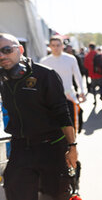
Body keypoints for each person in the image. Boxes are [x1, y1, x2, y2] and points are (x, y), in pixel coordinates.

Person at [0, 33, 78, 200]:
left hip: (51, 147)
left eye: (7, 50)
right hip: (20, 147)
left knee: (54, 195)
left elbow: (62, 113)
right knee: (14, 189)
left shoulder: (45, 75)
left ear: (20, 49)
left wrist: (72, 147)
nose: (2, 55)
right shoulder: (2, 78)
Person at [41, 36, 86, 133]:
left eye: (58, 45)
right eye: (53, 45)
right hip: (51, 99)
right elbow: (42, 82)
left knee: (72, 124)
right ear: (50, 46)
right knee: (56, 126)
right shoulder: (44, 61)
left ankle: (73, 146)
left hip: (69, 96)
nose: (55, 48)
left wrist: (82, 91)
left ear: (62, 46)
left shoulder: (71, 59)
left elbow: (77, 76)